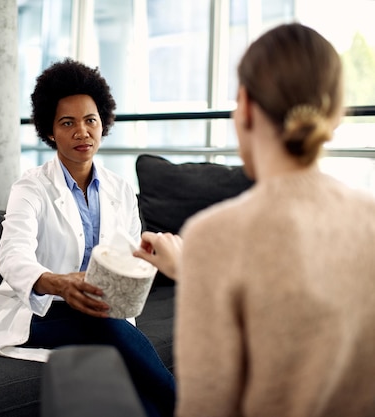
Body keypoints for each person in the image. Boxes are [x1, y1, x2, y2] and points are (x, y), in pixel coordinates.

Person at [134, 23, 375, 417]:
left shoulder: (216, 235)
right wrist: (194, 270)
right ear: (335, 114)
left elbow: (206, 404)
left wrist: (201, 265)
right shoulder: (370, 219)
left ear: (245, 105)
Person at [0, 58, 176, 416]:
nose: (82, 132)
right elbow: (12, 257)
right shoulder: (30, 188)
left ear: (103, 123)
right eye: (67, 123)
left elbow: (128, 263)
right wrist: (58, 283)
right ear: (50, 131)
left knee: (110, 336)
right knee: (104, 324)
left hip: (102, 312)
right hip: (39, 313)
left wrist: (144, 260)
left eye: (90, 120)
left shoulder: (120, 190)